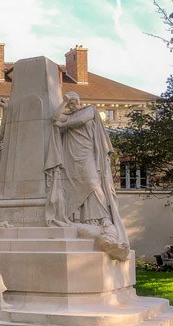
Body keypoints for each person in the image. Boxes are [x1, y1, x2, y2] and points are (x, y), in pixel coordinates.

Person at [47, 92, 129, 260]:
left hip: (87, 154)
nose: (72, 104)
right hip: (71, 157)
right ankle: (84, 220)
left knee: (93, 184)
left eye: (73, 100)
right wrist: (63, 102)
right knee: (74, 188)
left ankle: (104, 217)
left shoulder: (89, 110)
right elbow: (53, 118)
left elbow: (79, 121)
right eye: (70, 102)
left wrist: (63, 125)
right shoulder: (67, 113)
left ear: (79, 100)